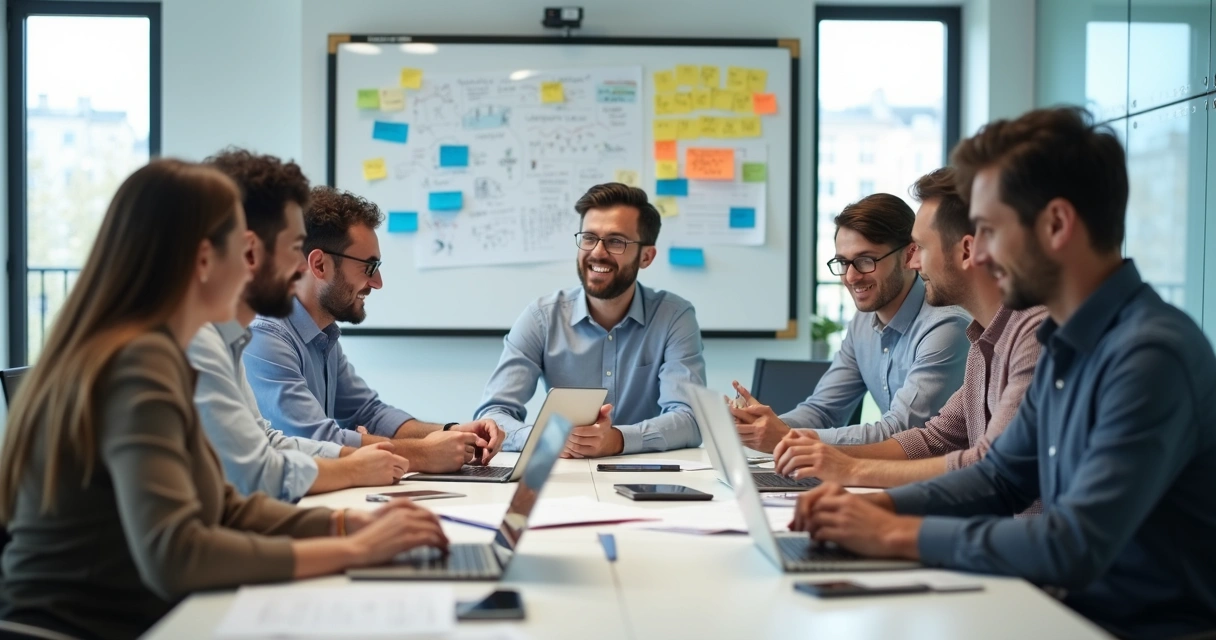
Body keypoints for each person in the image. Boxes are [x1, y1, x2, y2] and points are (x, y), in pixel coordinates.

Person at [790, 107, 1216, 639]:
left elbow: (1072, 545)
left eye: (989, 230)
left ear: (1057, 225)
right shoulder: (1067, 340)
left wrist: (895, 534)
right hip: (1054, 610)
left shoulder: (1149, 355)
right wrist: (873, 507)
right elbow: (1001, 479)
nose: (981, 254)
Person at [0, 160, 448, 640]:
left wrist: (349, 526)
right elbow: (178, 554)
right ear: (203, 258)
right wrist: (356, 550)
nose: (264, 263)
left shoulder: (166, 348)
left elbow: (226, 505)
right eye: (244, 245)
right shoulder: (140, 359)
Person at [771, 168, 1046, 493]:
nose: (915, 263)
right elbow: (934, 439)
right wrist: (824, 457)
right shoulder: (982, 340)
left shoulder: (1032, 335)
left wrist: (849, 470)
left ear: (967, 251)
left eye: (921, 249)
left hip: (1013, 539)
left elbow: (990, 469)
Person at [188, 148, 408, 502]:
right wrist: (354, 483)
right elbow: (256, 476)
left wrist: (363, 459)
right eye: (294, 248)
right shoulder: (199, 344)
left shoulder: (228, 338)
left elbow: (268, 445)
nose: (302, 265)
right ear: (249, 253)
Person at [243, 186, 503, 473]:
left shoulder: (323, 335)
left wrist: (453, 431)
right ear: (319, 264)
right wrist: (422, 454)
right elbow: (315, 440)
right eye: (369, 267)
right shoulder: (264, 336)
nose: (378, 282)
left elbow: (370, 413)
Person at [475, 182, 706, 458]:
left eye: (615, 241)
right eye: (589, 238)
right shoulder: (541, 318)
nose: (597, 252)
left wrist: (618, 440)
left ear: (646, 256)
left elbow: (690, 420)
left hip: (644, 477)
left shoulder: (674, 317)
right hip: (563, 476)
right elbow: (493, 415)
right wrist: (546, 438)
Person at [730, 193, 971, 453]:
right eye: (843, 262)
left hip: (940, 483)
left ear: (909, 255)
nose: (851, 276)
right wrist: (761, 427)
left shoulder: (947, 326)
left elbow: (900, 432)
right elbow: (823, 410)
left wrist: (785, 437)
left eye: (865, 261)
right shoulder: (863, 322)